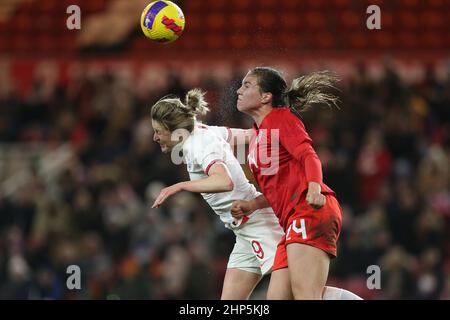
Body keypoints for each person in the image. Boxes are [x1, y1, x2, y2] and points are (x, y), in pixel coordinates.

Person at [150, 88, 362, 300]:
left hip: (260, 225)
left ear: (174, 129)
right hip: (243, 231)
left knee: (304, 294)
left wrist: (178, 187)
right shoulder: (203, 132)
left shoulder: (197, 145)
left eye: (158, 131)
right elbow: (251, 135)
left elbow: (224, 181)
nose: (155, 137)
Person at [231, 67, 358, 300]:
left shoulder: (281, 118)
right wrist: (254, 205)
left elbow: (308, 155)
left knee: (306, 295)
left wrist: (314, 187)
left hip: (308, 210)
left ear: (266, 96)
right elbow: (277, 189)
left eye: (247, 85)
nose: (239, 90)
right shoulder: (258, 135)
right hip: (290, 221)